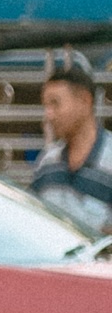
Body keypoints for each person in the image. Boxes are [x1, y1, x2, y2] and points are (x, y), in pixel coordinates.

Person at [32, 50, 112, 237]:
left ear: (85, 100)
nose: (49, 115)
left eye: (55, 104)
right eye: (46, 106)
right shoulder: (47, 163)